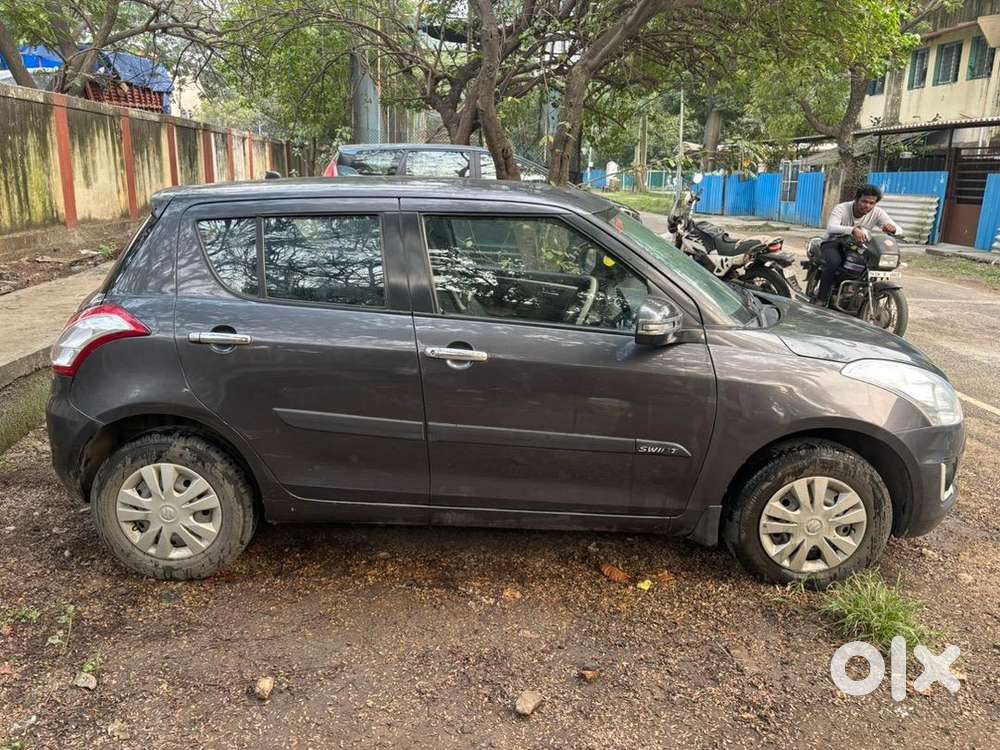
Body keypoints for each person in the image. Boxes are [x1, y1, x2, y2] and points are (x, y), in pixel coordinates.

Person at [814, 184, 898, 305]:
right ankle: (821, 298)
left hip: (858, 245)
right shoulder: (841, 208)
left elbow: (896, 227)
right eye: (864, 201)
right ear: (856, 199)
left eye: (871, 203)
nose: (867, 205)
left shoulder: (878, 212)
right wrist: (852, 230)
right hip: (834, 241)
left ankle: (855, 293)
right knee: (834, 261)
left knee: (870, 264)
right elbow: (831, 227)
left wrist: (892, 229)